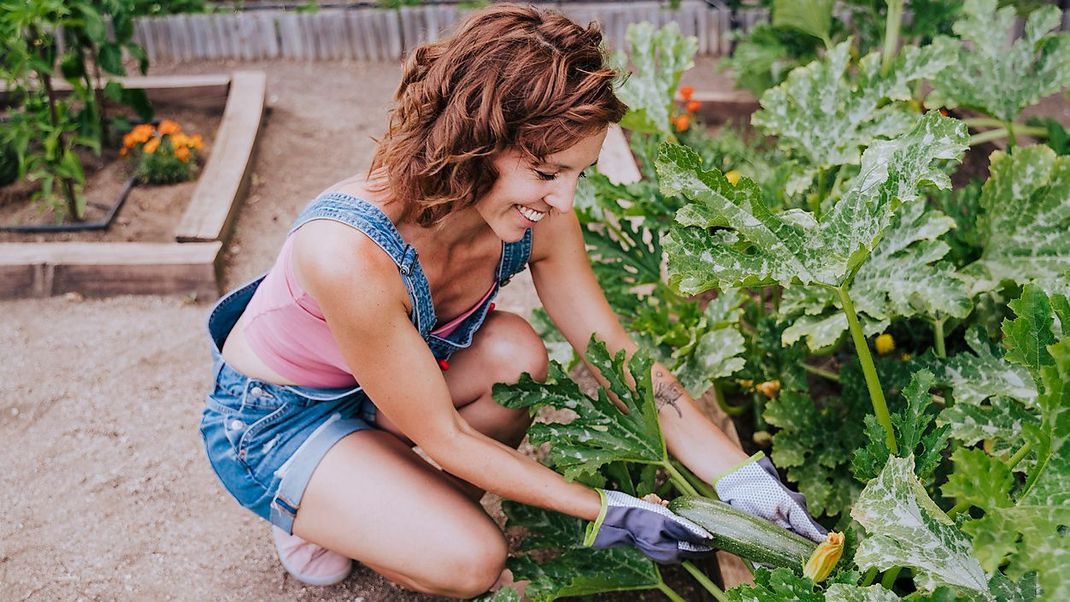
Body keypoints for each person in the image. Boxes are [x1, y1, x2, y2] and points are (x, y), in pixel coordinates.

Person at [199, 4, 825, 597]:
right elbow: (443, 437)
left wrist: (741, 477)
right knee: (473, 559)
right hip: (275, 420)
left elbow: (620, 361)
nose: (565, 201)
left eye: (579, 173)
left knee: (514, 355)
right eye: (549, 173)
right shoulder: (348, 252)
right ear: (473, 143)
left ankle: (374, 497)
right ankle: (326, 511)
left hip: (384, 394)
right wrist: (609, 511)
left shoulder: (540, 217)